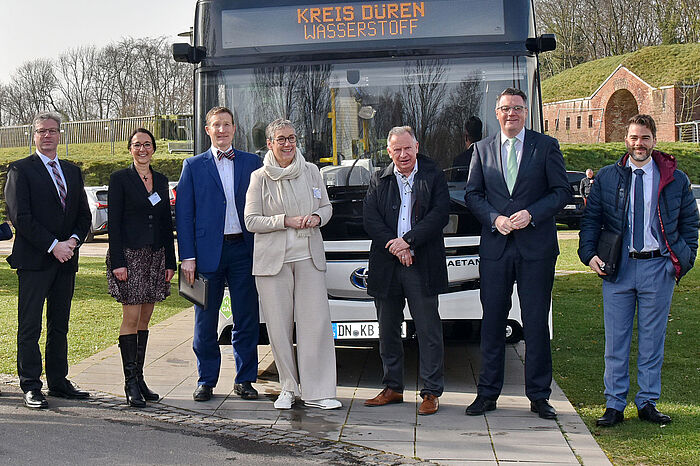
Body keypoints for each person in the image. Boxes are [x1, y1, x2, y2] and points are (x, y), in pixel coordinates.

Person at [578, 114, 698, 427]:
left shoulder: (674, 178)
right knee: (615, 340)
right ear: (626, 140)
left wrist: (682, 261)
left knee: (652, 340)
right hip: (619, 267)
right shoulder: (608, 177)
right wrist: (589, 255)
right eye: (633, 137)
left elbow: (690, 223)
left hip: (658, 267)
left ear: (654, 140)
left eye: (644, 137)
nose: (638, 143)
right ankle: (614, 404)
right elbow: (591, 220)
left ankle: (647, 401)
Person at [464, 88, 571, 419]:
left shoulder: (546, 146)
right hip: (497, 248)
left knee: (536, 322)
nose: (511, 113)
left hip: (536, 249)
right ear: (496, 113)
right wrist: (494, 218)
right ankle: (487, 393)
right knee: (493, 321)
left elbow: (561, 191)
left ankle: (539, 395)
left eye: (517, 108)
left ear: (526, 112)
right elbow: (472, 194)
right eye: (505, 108)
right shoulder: (481, 150)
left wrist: (533, 213)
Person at [244, 119, 340, 410]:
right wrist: (284, 221)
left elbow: (326, 206)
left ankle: (319, 391)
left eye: (292, 138)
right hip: (273, 263)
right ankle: (288, 387)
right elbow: (251, 221)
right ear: (270, 143)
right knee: (279, 326)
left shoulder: (311, 172)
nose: (288, 144)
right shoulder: (259, 177)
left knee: (316, 324)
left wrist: (318, 218)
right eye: (281, 139)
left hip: (309, 257)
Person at [4, 112, 92, 409]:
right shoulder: (20, 170)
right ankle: (30, 385)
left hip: (66, 260)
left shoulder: (72, 170)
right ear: (34, 135)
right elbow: (21, 217)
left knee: (60, 324)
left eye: (53, 131)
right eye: (42, 131)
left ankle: (58, 381)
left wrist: (73, 242)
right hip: (34, 261)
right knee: (30, 325)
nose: (47, 136)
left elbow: (83, 214)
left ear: (60, 134)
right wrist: (53, 245)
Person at [176, 106, 262, 402]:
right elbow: (184, 215)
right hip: (204, 256)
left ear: (234, 129)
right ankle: (206, 379)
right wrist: (187, 256)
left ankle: (245, 379)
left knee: (246, 318)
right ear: (207, 130)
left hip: (245, 251)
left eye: (227, 124)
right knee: (205, 320)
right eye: (216, 125)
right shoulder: (193, 165)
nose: (222, 130)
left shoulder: (254, 163)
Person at [363, 126, 449, 416]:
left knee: (428, 330)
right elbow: (371, 218)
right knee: (387, 329)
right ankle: (392, 388)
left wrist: (409, 242)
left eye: (407, 148)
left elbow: (440, 215)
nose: (402, 155)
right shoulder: (379, 178)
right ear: (388, 152)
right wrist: (396, 246)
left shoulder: (433, 175)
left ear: (417, 147)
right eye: (396, 150)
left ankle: (430, 392)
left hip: (422, 263)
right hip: (387, 265)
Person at [106, 128, 177, 407]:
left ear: (154, 148)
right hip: (130, 257)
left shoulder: (160, 180)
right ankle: (129, 383)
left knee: (145, 320)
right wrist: (118, 262)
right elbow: (114, 224)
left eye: (147, 144)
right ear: (130, 149)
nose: (142, 149)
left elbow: (164, 223)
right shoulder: (120, 179)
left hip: (155, 256)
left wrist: (170, 262)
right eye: (137, 145)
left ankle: (140, 377)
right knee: (131, 319)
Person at [451, 116, 483, 182]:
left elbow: (455, 187)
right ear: (481, 136)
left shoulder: (459, 160)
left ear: (466, 137)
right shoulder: (490, 159)